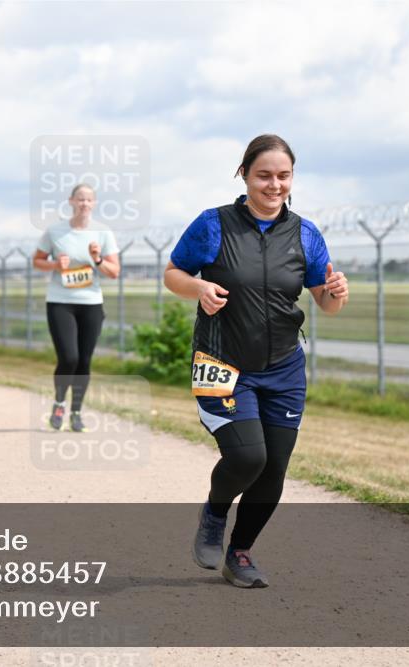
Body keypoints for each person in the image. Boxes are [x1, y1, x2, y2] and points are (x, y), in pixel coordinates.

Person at [164, 134, 349, 588]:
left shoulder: (306, 234)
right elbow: (173, 273)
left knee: (274, 468)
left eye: (283, 176)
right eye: (264, 174)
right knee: (248, 457)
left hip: (284, 367)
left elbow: (325, 301)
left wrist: (335, 295)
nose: (274, 184)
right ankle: (214, 514)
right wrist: (200, 289)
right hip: (224, 362)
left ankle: (240, 554)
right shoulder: (213, 225)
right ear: (244, 174)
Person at [33, 184, 120, 432]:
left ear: (94, 203)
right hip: (60, 302)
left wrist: (97, 259)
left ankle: (76, 412)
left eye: (89, 199)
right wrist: (54, 266)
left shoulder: (103, 232)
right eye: (80, 199)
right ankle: (59, 403)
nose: (84, 203)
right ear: (71, 201)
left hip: (91, 303)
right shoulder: (56, 231)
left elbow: (114, 272)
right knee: (68, 357)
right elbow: (37, 261)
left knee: (84, 360)